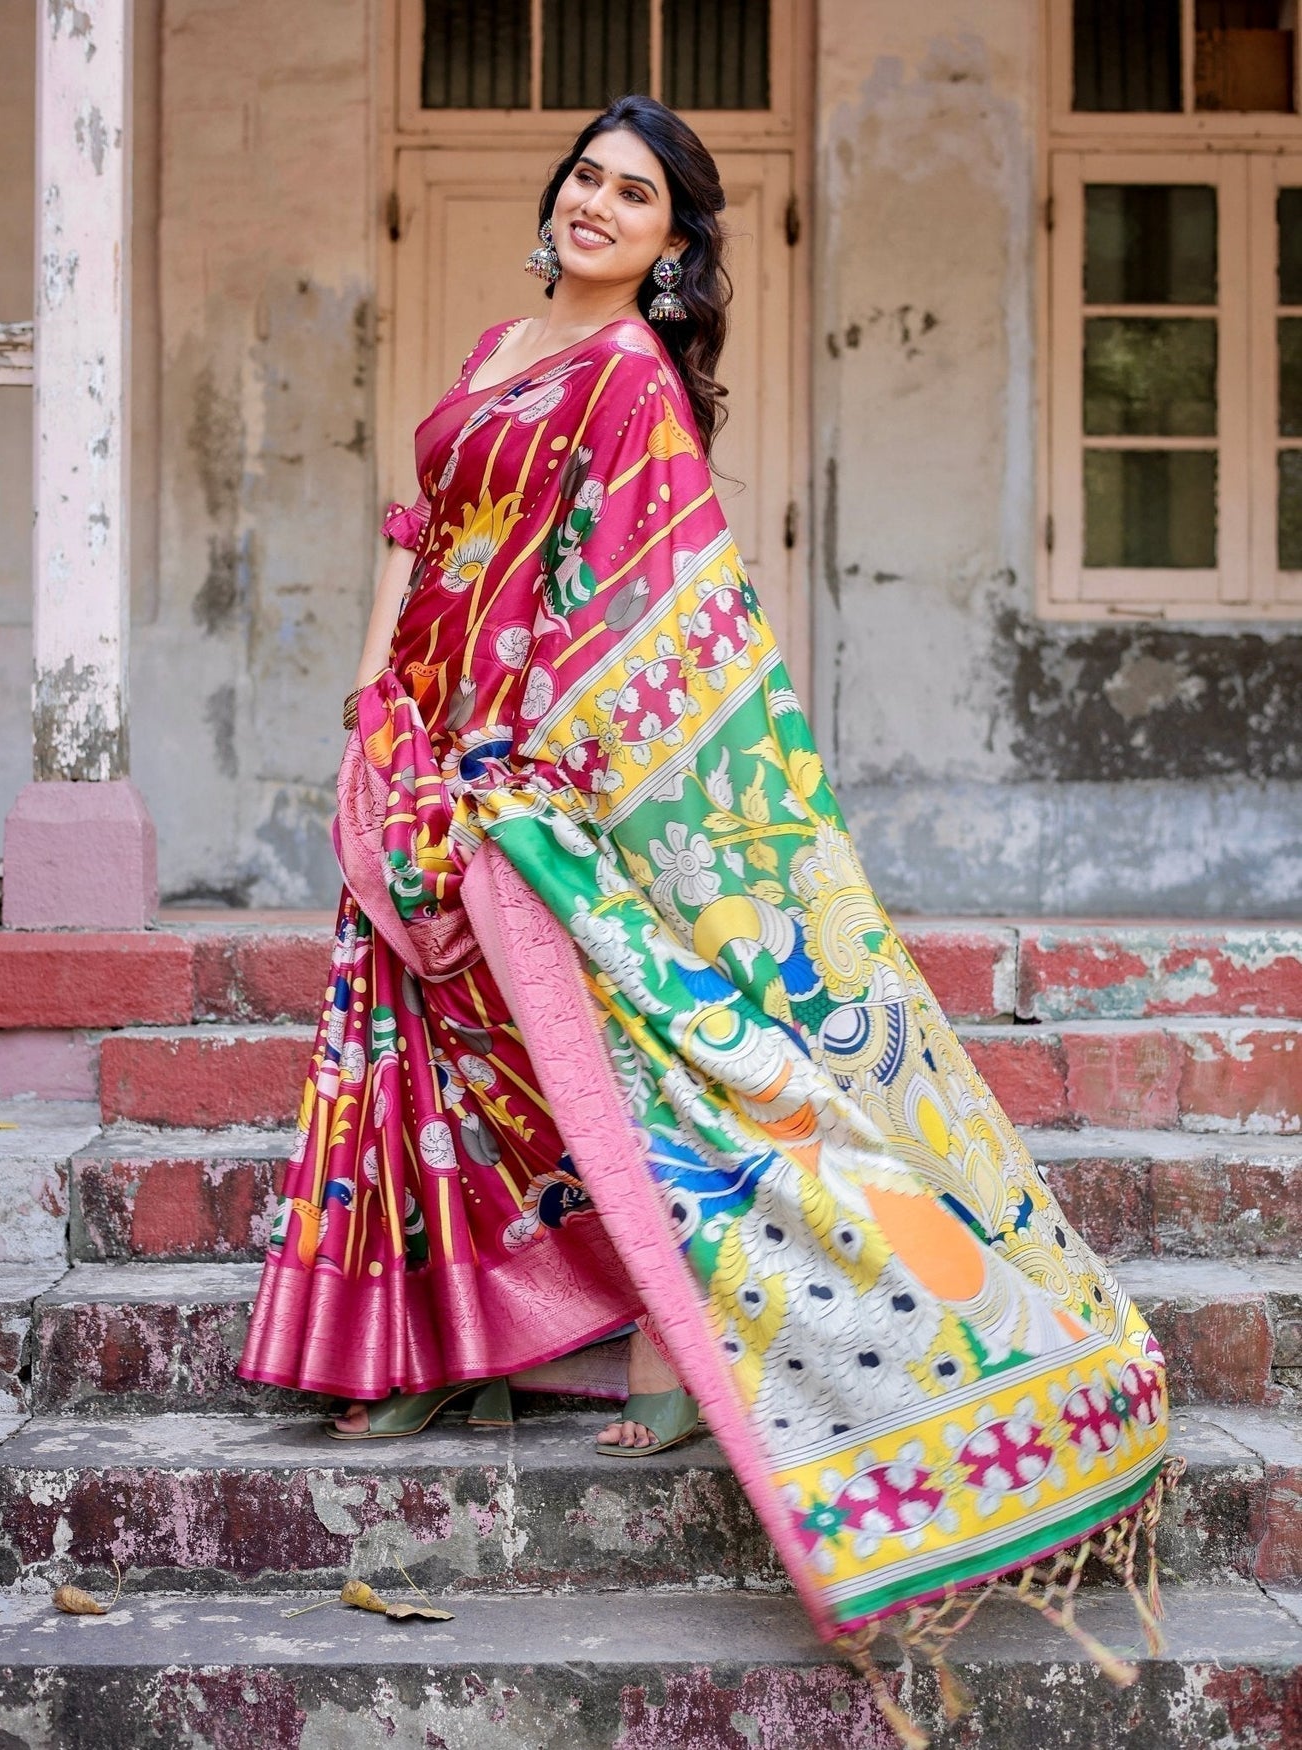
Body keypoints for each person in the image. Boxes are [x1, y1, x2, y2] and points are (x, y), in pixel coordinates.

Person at [240, 94, 1173, 1734]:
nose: (600, 204)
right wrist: (370, 692)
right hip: (408, 738)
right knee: (413, 1030)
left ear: (676, 246)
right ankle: (431, 1342)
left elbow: (646, 594)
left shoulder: (628, 384)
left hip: (521, 764)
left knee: (613, 1047)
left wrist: (514, 756)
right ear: (556, 202)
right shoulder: (498, 344)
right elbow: (422, 529)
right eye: (587, 179)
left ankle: (684, 1357)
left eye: (637, 194)